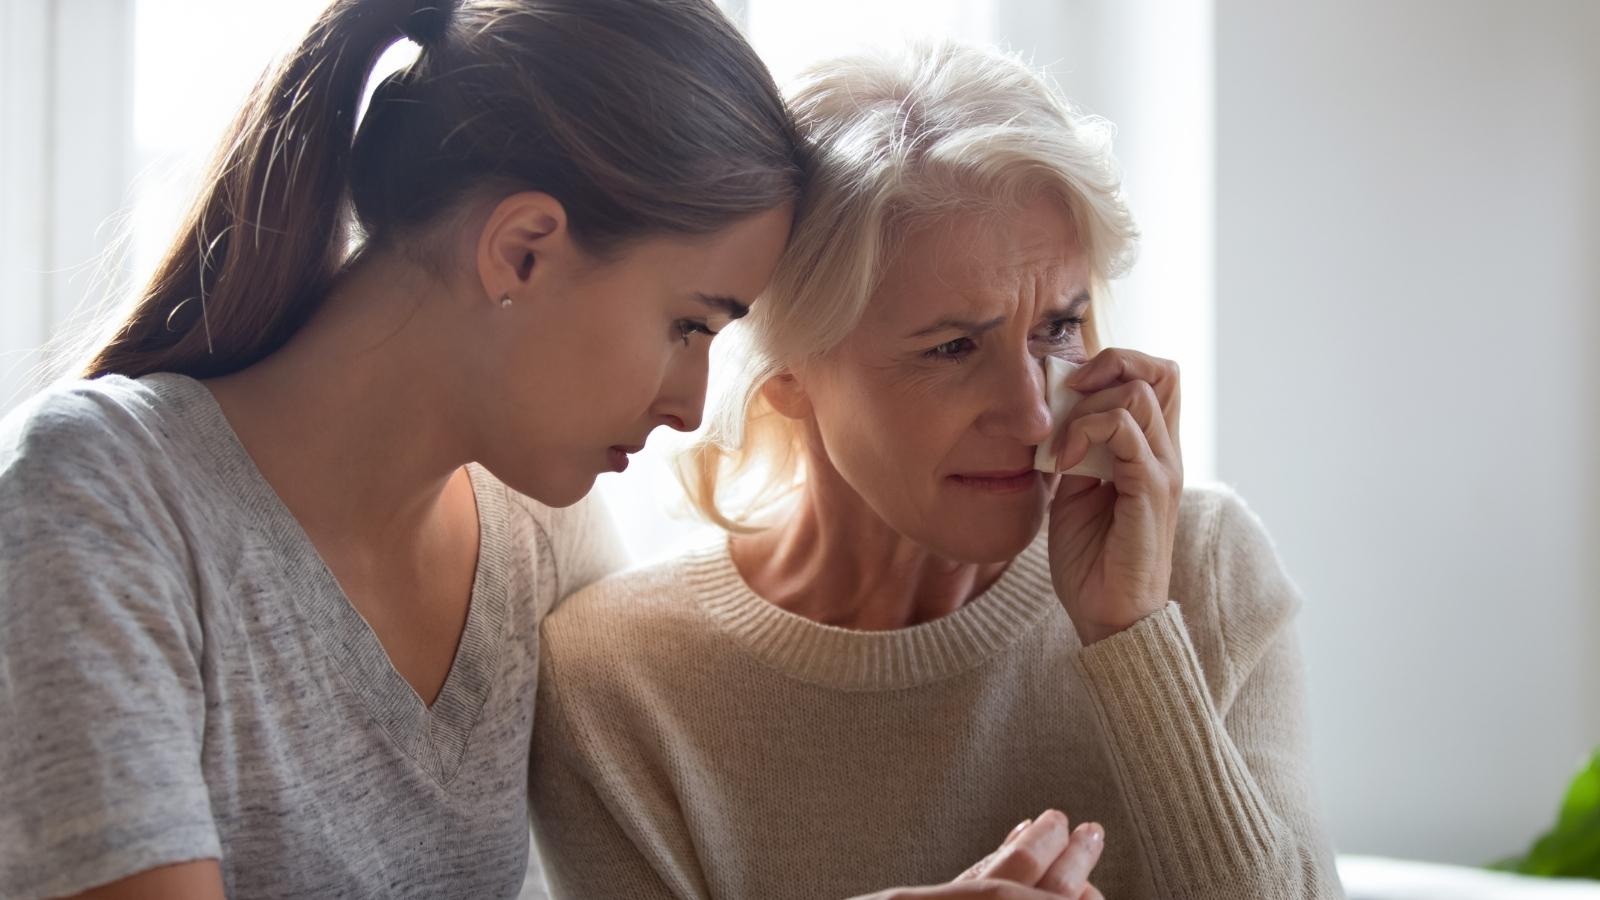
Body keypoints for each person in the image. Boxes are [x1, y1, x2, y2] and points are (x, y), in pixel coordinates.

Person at [0, 0, 800, 896]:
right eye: (689, 324)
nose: (693, 407)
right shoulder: (102, 497)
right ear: (522, 251)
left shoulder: (537, 534)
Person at [528, 41, 1345, 900]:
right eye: (955, 347)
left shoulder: (1201, 565)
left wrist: (1134, 637)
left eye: (1058, 327)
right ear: (790, 371)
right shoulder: (616, 681)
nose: (1033, 414)